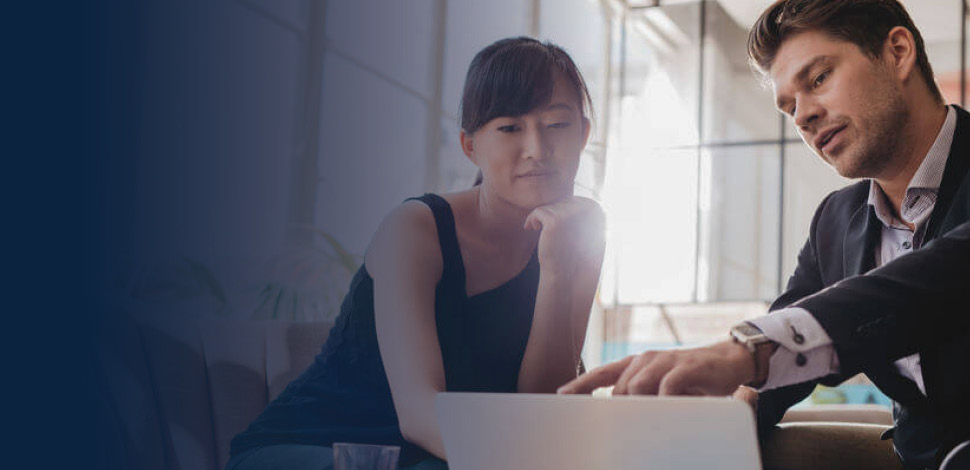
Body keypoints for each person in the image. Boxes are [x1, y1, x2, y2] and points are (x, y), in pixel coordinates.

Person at [559, 1, 970, 468]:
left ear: (897, 52)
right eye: (789, 105)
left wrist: (746, 351)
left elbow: (937, 281)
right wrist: (725, 410)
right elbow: (785, 344)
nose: (802, 117)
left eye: (818, 79)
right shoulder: (835, 221)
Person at [227, 37, 605, 470]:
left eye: (557, 124)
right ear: (470, 146)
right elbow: (420, 415)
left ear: (584, 134)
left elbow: (540, 408)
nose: (537, 148)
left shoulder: (583, 231)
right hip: (313, 448)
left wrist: (556, 271)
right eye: (509, 128)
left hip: (433, 460)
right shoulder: (416, 228)